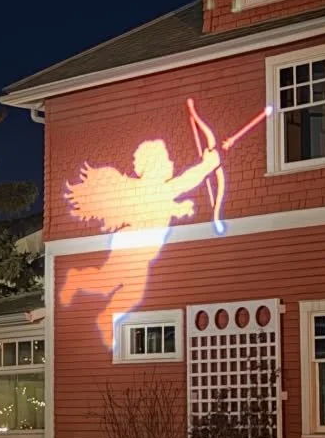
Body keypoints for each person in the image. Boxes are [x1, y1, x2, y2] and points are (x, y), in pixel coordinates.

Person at [59, 137, 221, 348]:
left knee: (125, 290)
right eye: (166, 160)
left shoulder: (158, 192)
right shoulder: (153, 189)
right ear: (155, 166)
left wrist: (180, 208)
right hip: (133, 247)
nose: (171, 164)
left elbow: (161, 208)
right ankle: (79, 282)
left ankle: (104, 312)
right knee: (112, 285)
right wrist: (209, 164)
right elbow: (186, 181)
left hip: (141, 249)